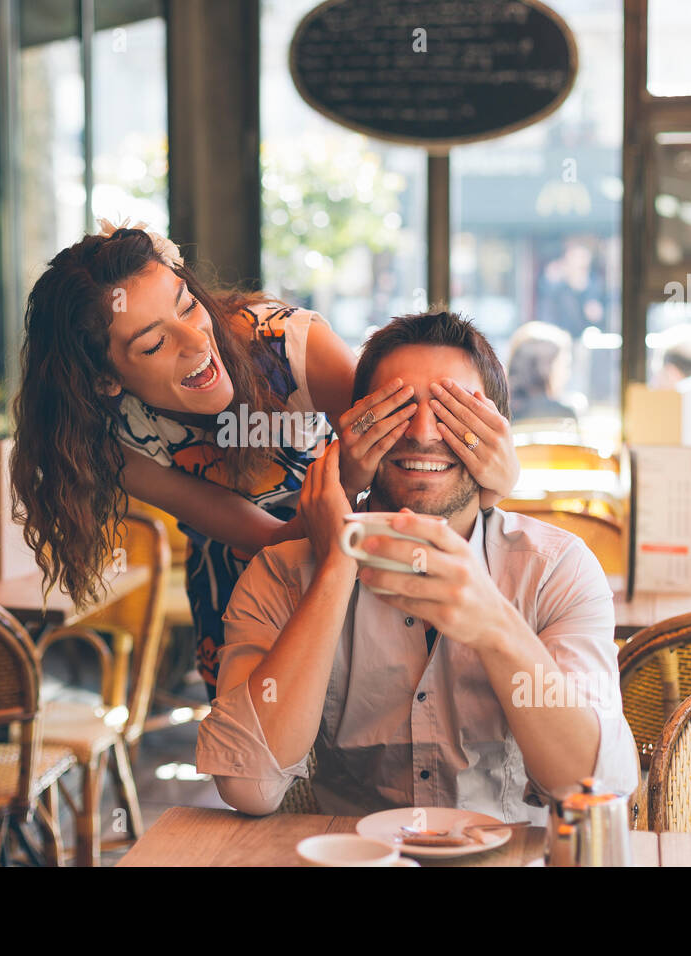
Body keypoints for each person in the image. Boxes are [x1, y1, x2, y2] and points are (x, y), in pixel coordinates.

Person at [10, 223, 520, 700]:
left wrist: (499, 480)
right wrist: (344, 477)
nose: (196, 344)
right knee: (255, 764)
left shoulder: (293, 348)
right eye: (155, 343)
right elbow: (272, 541)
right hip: (236, 579)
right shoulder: (113, 441)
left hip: (364, 570)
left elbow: (418, 469)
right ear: (104, 380)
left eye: (187, 307)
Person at [195, 310, 638, 818]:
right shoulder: (282, 574)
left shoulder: (555, 569)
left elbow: (597, 788)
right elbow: (249, 785)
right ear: (355, 424)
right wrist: (340, 564)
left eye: (453, 410)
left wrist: (495, 627)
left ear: (497, 432)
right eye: (398, 408)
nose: (424, 432)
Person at [507, 321, 580, 423]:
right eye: (565, 365)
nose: (567, 374)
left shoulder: (502, 412)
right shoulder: (564, 415)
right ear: (545, 369)